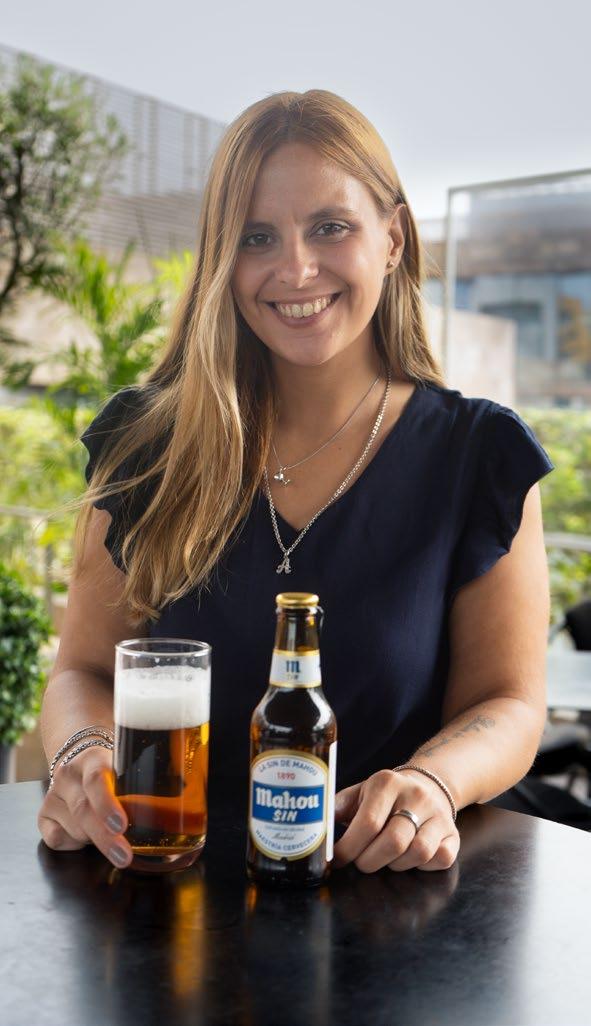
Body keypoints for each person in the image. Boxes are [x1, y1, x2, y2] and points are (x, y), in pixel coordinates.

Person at [37, 89, 555, 874]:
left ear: (392, 238)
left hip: (390, 893)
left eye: (330, 227)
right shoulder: (142, 442)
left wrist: (431, 782)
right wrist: (82, 751)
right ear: (223, 257)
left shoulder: (480, 454)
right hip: (162, 885)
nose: (295, 269)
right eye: (257, 237)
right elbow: (82, 671)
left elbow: (508, 703)